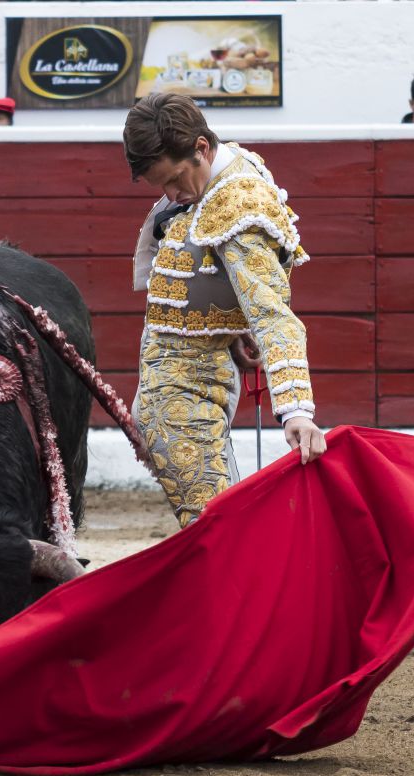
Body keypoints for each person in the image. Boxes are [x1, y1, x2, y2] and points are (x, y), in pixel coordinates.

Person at [123, 92, 326, 527]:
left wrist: (296, 410)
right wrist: (232, 329)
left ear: (201, 148)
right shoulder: (228, 168)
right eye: (161, 185)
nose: (172, 195)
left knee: (220, 533)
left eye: (175, 179)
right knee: (223, 530)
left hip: (189, 393)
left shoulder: (238, 204)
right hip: (187, 388)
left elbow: (273, 315)